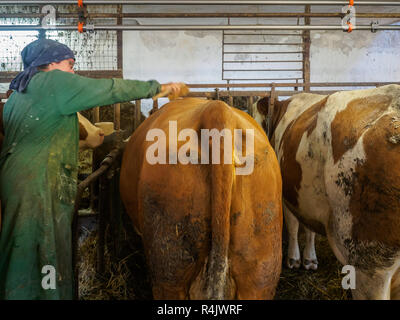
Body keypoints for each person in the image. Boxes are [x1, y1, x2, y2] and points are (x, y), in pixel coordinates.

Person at [0, 38, 182, 300]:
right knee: (47, 248)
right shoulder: (54, 83)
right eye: (70, 64)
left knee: (19, 246)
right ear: (50, 63)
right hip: (40, 182)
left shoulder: (19, 93)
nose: (73, 71)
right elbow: (109, 89)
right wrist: (157, 88)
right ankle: (49, 295)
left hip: (17, 178)